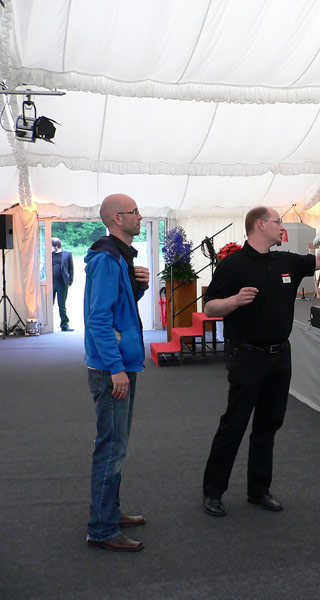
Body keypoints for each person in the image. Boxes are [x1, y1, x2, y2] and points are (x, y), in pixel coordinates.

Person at [201, 206, 320, 517]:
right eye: (277, 221)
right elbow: (210, 308)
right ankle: (213, 492)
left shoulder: (285, 261)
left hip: (279, 356)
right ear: (260, 225)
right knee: (234, 425)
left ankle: (259, 489)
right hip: (246, 356)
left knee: (268, 425)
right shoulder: (232, 265)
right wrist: (234, 301)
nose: (282, 226)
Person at [84, 194, 150, 552]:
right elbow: (99, 320)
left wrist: (138, 288)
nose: (140, 216)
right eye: (134, 212)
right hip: (112, 369)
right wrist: (116, 368)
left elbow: (119, 311)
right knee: (111, 449)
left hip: (118, 366)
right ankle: (102, 528)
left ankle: (109, 512)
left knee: (116, 446)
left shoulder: (119, 256)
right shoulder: (107, 259)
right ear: (117, 218)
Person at [51, 237, 74, 331]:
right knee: (49, 304)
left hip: (62, 283)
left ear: (56, 246)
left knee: (62, 305)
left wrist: (70, 281)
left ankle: (64, 324)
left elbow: (71, 268)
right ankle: (46, 325)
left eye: (51, 246)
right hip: (50, 283)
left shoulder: (67, 254)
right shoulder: (49, 254)